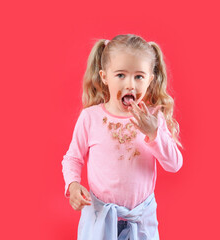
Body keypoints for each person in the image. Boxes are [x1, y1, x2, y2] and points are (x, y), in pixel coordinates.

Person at [62, 34, 184, 240]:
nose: (130, 84)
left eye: (139, 76)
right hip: (100, 218)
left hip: (141, 220)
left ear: (150, 79)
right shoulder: (91, 117)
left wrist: (153, 132)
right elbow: (73, 157)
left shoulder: (153, 118)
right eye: (120, 75)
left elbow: (174, 165)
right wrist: (72, 185)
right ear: (104, 76)